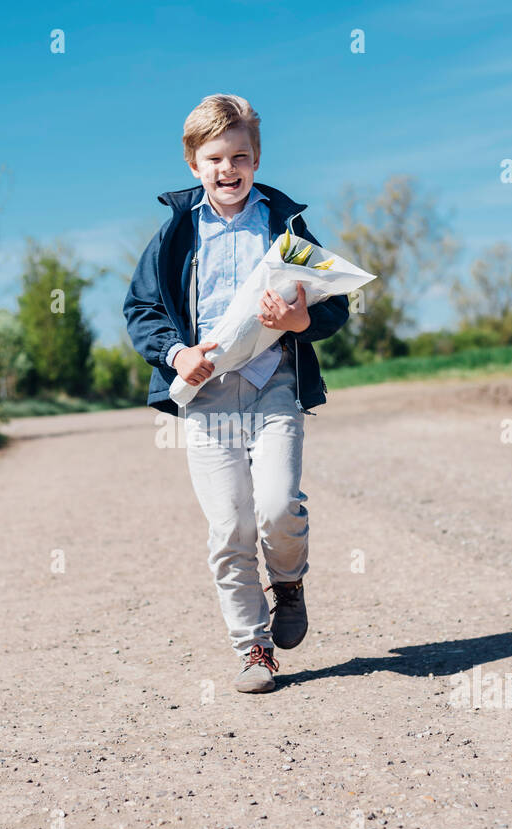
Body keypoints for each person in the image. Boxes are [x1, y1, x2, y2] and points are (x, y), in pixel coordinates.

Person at [123, 93, 351, 694]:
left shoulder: (286, 225)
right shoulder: (175, 236)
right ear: (194, 164)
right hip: (207, 399)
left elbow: (335, 303)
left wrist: (302, 322)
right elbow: (142, 309)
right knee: (230, 524)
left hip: (274, 383)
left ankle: (290, 582)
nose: (229, 169)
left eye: (241, 156)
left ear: (257, 158)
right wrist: (179, 353)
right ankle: (254, 649)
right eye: (215, 158)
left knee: (278, 507)